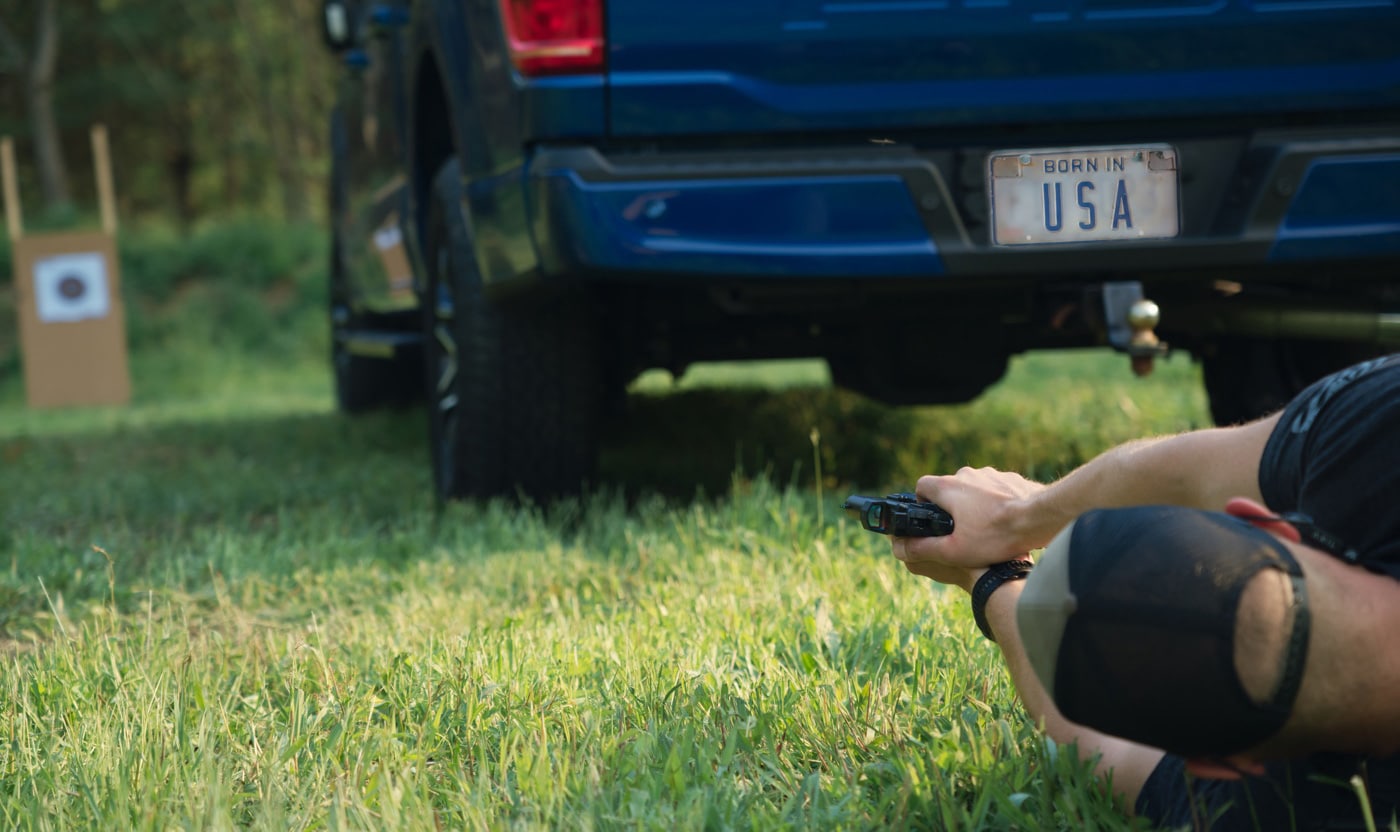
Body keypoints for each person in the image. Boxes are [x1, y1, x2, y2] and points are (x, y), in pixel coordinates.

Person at [891, 353, 1400, 829]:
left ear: (1221, 763)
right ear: (1264, 522)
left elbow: (1096, 750)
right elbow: (1194, 471)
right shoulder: (1381, 424)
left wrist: (994, 573)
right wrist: (1013, 520)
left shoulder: (1278, 808)